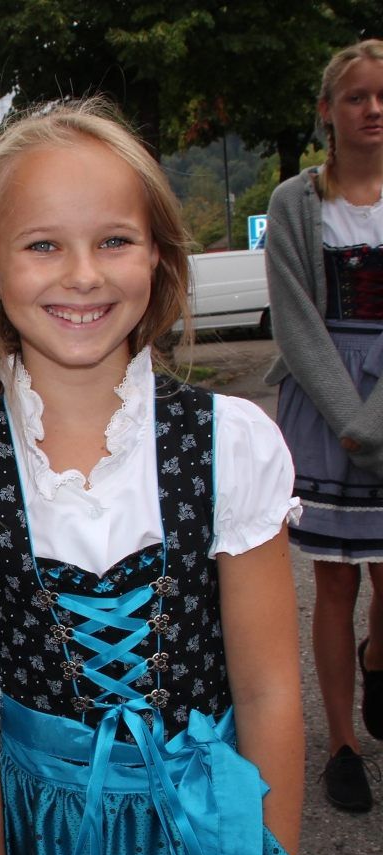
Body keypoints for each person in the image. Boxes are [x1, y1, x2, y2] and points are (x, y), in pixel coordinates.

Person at [0, 100, 311, 855]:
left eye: (114, 241)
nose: (83, 275)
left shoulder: (226, 442)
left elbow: (270, 690)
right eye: (43, 246)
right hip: (34, 844)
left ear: (159, 260)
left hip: (205, 837)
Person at [265, 38, 383, 814]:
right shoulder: (295, 203)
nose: (373, 109)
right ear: (327, 110)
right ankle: (341, 740)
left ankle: (381, 657)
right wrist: (351, 419)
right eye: (356, 96)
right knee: (335, 581)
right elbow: (296, 319)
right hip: (325, 401)